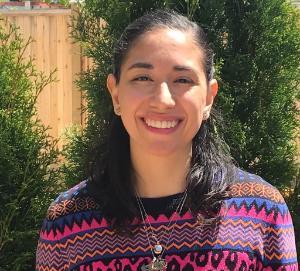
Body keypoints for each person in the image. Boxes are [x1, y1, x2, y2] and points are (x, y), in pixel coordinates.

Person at [36, 9, 298, 271]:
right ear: (116, 95)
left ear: (208, 97)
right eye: (143, 78)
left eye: (182, 79)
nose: (163, 100)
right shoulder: (67, 222)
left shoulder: (261, 210)